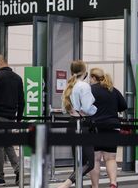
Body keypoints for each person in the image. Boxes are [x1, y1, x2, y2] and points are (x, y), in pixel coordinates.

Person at [0, 55, 24, 185]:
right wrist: (18, 119)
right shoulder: (18, 78)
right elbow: (21, 101)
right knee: (8, 144)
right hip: (11, 117)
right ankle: (19, 171)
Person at [57, 60, 98, 188]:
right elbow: (87, 108)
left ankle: (71, 185)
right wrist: (95, 109)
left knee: (78, 161)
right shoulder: (84, 86)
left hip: (71, 123)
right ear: (85, 71)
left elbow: (64, 109)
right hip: (82, 124)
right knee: (89, 162)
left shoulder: (68, 86)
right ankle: (65, 185)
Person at [88, 68, 127, 188]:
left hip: (95, 127)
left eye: (90, 78)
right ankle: (113, 183)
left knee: (95, 159)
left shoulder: (90, 90)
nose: (89, 80)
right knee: (110, 158)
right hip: (112, 126)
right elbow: (124, 106)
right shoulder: (113, 90)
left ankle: (95, 186)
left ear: (93, 77)